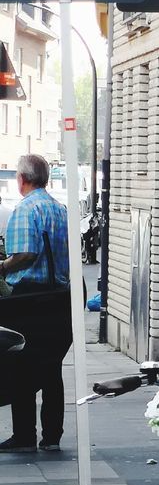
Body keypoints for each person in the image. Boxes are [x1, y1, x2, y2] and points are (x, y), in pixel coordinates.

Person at [0, 153, 71, 453]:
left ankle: (24, 435)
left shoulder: (25, 209)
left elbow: (25, 254)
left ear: (22, 179)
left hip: (29, 298)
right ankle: (52, 436)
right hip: (59, 295)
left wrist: (2, 268)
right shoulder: (61, 209)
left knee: (21, 366)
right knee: (52, 367)